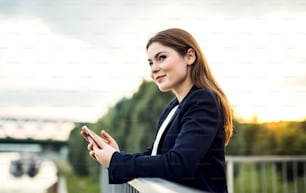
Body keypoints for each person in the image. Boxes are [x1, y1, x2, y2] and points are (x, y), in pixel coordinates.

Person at [81, 28, 233, 193]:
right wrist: (116, 154)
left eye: (162, 58)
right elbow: (155, 154)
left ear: (190, 56)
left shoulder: (203, 100)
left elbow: (179, 163)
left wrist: (115, 160)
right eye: (151, 62)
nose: (153, 68)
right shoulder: (173, 107)